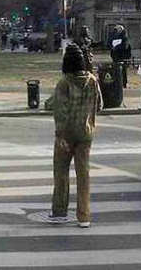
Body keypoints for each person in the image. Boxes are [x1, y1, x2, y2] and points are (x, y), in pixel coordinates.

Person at [48, 43, 103, 228]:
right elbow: (100, 104)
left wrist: (59, 135)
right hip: (86, 133)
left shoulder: (64, 83)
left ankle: (59, 212)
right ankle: (84, 216)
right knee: (83, 175)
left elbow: (60, 112)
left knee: (61, 173)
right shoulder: (93, 80)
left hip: (67, 134)